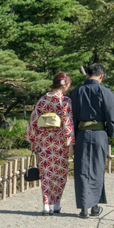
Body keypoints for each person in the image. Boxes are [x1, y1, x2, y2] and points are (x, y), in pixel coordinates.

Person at [67, 62, 114, 218]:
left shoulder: (76, 92)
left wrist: (70, 140)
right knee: (97, 169)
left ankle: (84, 209)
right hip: (99, 134)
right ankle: (94, 207)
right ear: (101, 76)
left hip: (81, 134)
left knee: (81, 170)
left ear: (87, 75)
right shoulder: (105, 91)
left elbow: (69, 117)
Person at [27, 73, 76, 214]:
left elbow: (34, 120)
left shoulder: (43, 100)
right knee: (60, 173)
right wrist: (70, 144)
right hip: (60, 142)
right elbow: (67, 122)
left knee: (46, 173)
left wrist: (33, 140)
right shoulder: (65, 101)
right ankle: (57, 204)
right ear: (65, 85)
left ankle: (46, 205)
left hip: (44, 141)